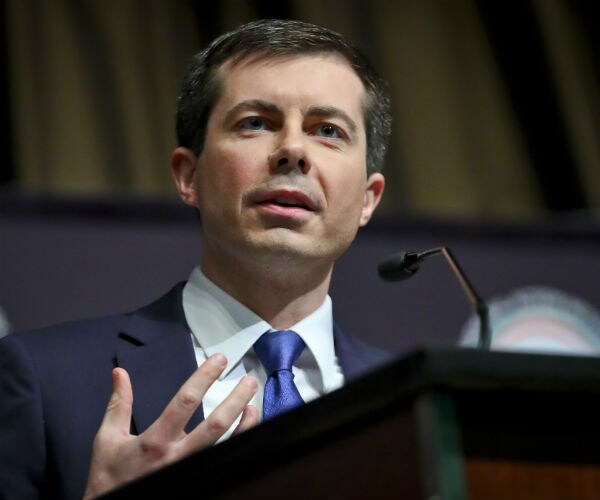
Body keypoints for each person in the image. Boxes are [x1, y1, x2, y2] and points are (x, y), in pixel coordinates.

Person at [0, 18, 393, 500]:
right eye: (256, 123)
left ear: (369, 199)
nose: (293, 149)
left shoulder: (414, 402)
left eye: (327, 130)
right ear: (188, 176)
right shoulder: (44, 380)